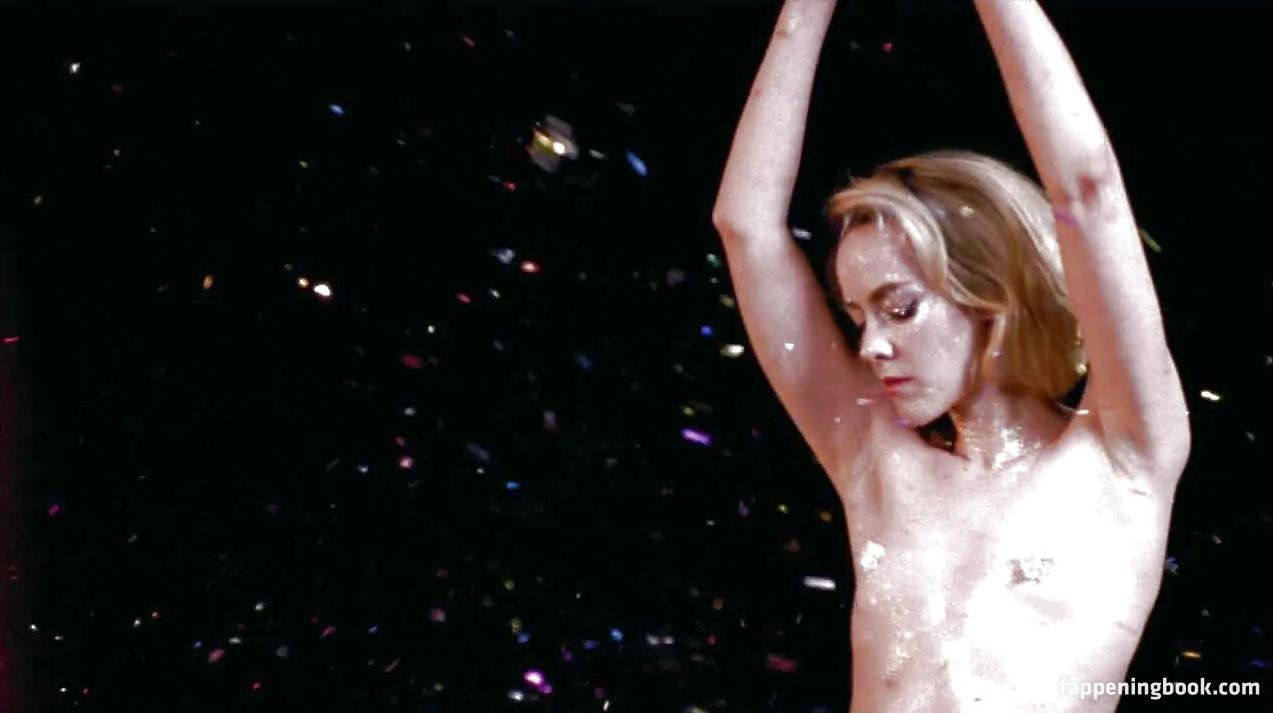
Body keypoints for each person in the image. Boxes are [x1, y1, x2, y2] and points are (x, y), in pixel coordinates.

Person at [710, 1, 1191, 710]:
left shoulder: (1123, 457)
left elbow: (1088, 191)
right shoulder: (877, 463)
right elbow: (745, 226)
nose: (870, 345)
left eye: (900, 307)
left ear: (990, 292)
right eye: (856, 316)